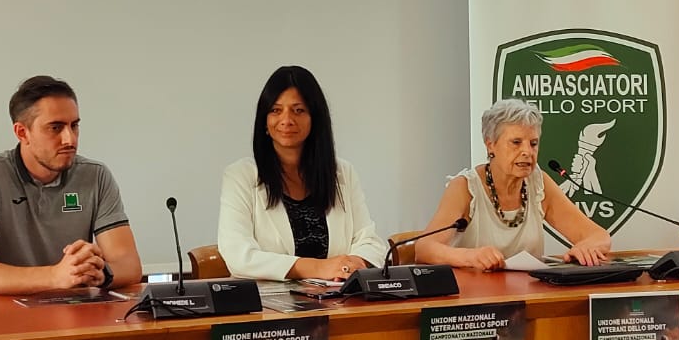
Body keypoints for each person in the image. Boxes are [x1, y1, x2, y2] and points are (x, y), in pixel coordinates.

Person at [0, 75, 143, 295]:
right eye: (55, 128)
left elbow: (129, 264)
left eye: (74, 126)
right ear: (22, 132)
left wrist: (102, 272)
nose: (69, 139)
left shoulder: (95, 175)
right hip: (10, 316)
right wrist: (55, 276)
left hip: (74, 315)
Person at [218, 66, 384, 281]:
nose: (287, 120)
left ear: (315, 119)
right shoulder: (241, 176)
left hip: (338, 300)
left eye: (298, 110)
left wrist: (351, 265)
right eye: (276, 110)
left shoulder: (342, 173)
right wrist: (317, 268)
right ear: (265, 122)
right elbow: (238, 256)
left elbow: (370, 241)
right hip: (269, 307)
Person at [414, 98, 613, 269]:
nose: (527, 151)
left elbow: (598, 236)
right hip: (476, 302)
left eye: (533, 143)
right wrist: (469, 256)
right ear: (490, 144)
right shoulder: (465, 187)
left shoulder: (538, 182)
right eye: (516, 142)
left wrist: (586, 247)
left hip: (530, 297)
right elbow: (425, 249)